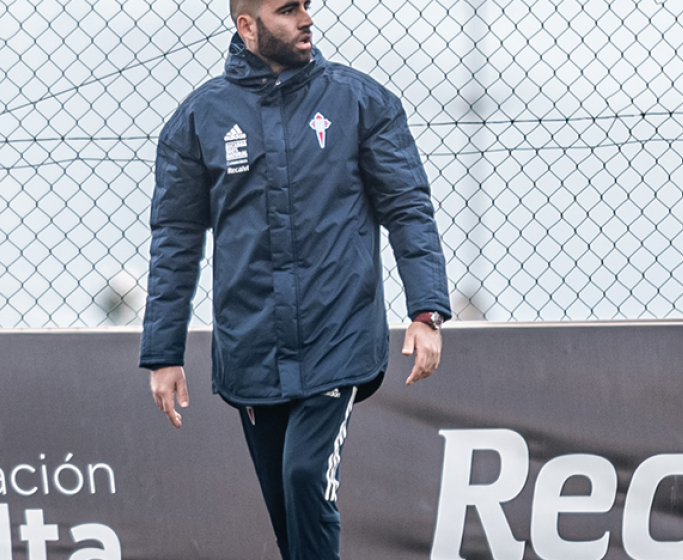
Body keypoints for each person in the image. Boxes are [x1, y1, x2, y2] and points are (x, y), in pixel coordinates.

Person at [137, 0, 452, 557]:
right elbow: (175, 241)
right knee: (290, 518)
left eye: (307, 6)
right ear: (247, 26)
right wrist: (164, 353)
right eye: (288, 10)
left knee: (306, 475)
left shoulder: (361, 101)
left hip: (340, 339)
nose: (306, 18)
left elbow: (408, 208)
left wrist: (426, 311)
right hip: (251, 349)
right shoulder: (198, 119)